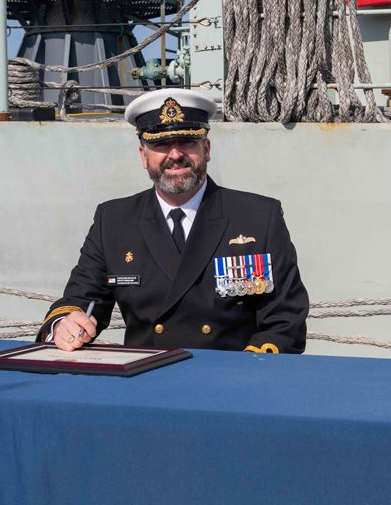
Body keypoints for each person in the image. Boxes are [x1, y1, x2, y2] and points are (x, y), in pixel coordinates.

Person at [38, 88, 309, 353]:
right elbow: (80, 299)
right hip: (147, 380)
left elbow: (286, 320)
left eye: (187, 142)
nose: (176, 154)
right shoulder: (114, 221)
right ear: (144, 156)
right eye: (161, 144)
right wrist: (65, 324)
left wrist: (243, 372)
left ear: (207, 148)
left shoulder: (258, 217)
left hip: (231, 381)